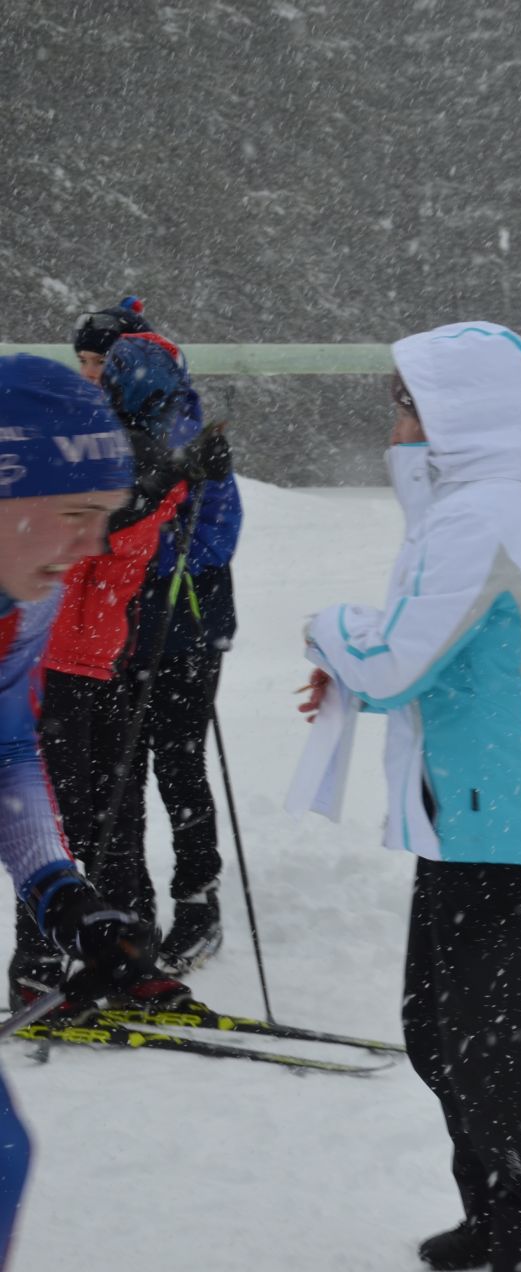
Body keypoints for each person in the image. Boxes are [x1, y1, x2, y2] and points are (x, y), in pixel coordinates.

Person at [298, 321, 521, 1272]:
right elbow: (414, 648)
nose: (396, 424)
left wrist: (325, 631)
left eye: (409, 405)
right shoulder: (465, 512)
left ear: (459, 417)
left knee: (497, 1050)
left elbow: (391, 660)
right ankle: (501, 1215)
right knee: (441, 1033)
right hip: (461, 817)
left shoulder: (482, 520)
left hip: (495, 827)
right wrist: (354, 659)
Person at [0, 353, 195, 1259]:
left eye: (104, 521)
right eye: (77, 516)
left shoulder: (20, 603)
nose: (90, 549)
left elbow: (8, 756)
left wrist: (61, 891)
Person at [7, 328, 228, 1004]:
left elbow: (151, 518)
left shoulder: (145, 454)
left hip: (106, 661)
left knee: (118, 813)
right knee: (61, 812)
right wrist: (180, 471)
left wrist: (191, 473)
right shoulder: (94, 452)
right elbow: (116, 515)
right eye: (163, 400)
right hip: (54, 663)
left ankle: (129, 954)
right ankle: (39, 965)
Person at [79, 297, 243, 973]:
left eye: (99, 362)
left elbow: (216, 535)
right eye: (83, 362)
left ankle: (197, 899)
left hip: (186, 631)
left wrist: (155, 545)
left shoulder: (184, 430)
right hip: (121, 634)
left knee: (178, 763)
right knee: (121, 769)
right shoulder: (101, 428)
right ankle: (131, 905)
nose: (88, 375)